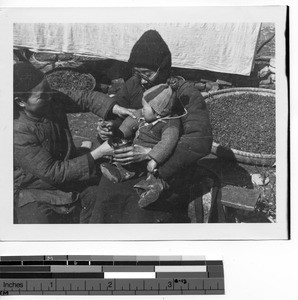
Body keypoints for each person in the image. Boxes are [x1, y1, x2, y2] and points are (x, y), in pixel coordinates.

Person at [90, 29, 213, 223]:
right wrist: (109, 129)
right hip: (130, 163)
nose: (141, 79)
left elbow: (199, 141)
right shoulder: (134, 85)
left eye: (147, 73)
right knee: (107, 194)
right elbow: (123, 118)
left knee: (140, 211)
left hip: (167, 170)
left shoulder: (185, 94)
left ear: (162, 69)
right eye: (137, 73)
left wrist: (150, 153)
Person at [13, 62, 135, 224]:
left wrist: (115, 108)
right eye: (42, 96)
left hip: (70, 173)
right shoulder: (18, 132)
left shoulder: (49, 97)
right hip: (36, 188)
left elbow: (85, 98)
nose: (50, 96)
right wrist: (99, 153)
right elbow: (53, 173)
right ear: (21, 101)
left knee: (102, 201)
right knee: (36, 226)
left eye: (49, 89)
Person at [100, 82, 180, 208]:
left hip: (152, 158)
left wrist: (154, 158)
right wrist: (119, 131)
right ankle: (120, 171)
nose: (141, 110)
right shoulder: (145, 115)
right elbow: (131, 120)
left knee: (156, 177)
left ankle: (152, 190)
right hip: (137, 151)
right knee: (128, 159)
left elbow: (167, 143)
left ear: (158, 113)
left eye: (144, 108)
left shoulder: (169, 125)